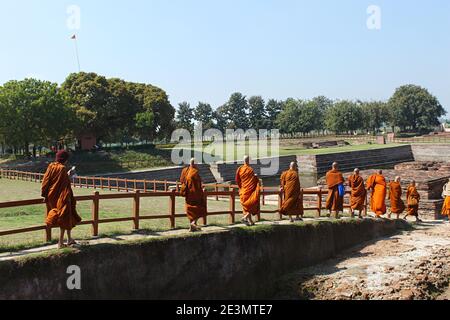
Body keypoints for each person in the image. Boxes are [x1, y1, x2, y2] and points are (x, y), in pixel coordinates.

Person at [41, 150, 82, 249]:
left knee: (68, 215)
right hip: (61, 196)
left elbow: (45, 181)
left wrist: (44, 195)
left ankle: (69, 239)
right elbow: (64, 183)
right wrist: (70, 174)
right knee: (64, 215)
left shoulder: (51, 166)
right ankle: (60, 242)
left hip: (52, 196)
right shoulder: (62, 168)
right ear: (65, 159)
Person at [179, 158, 206, 232]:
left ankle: (192, 227)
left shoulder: (185, 170)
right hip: (195, 194)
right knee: (200, 208)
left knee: (190, 210)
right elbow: (198, 184)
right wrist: (201, 191)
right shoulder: (195, 172)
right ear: (195, 164)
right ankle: (194, 223)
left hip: (188, 194)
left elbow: (181, 180)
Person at [236, 156, 260, 226]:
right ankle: (245, 217)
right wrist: (255, 177)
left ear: (243, 160)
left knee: (246, 207)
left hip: (243, 190)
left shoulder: (239, 169)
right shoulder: (250, 170)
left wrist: (241, 187)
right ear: (249, 161)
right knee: (253, 204)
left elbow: (237, 180)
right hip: (249, 191)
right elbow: (252, 182)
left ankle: (250, 221)